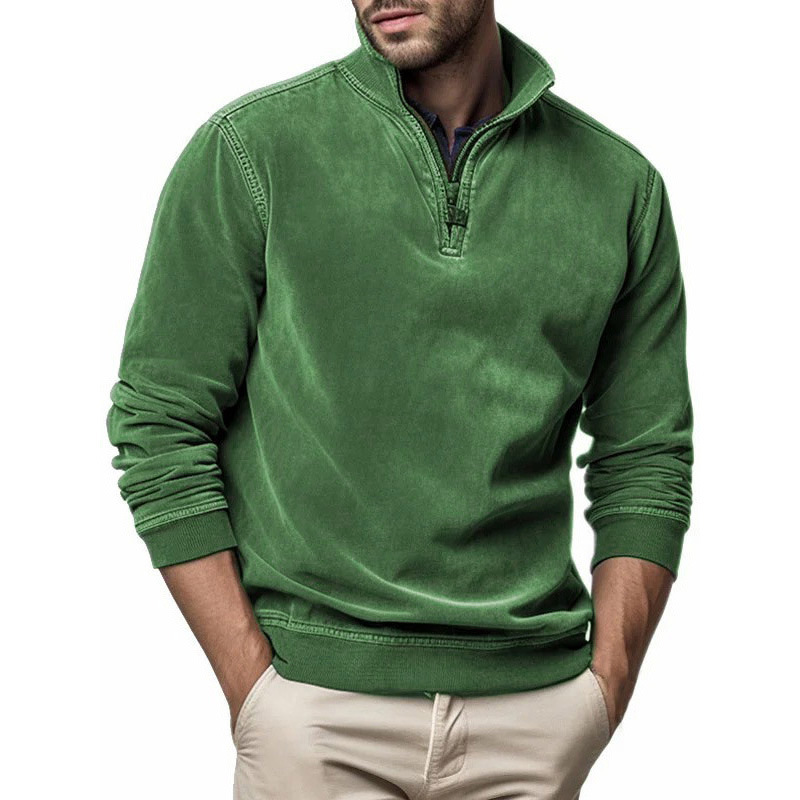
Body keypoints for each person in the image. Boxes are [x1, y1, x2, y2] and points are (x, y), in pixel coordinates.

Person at [106, 1, 694, 797]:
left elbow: (646, 454)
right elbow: (159, 421)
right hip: (314, 706)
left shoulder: (618, 185)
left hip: (533, 711)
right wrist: (254, 688)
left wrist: (604, 690)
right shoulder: (252, 150)